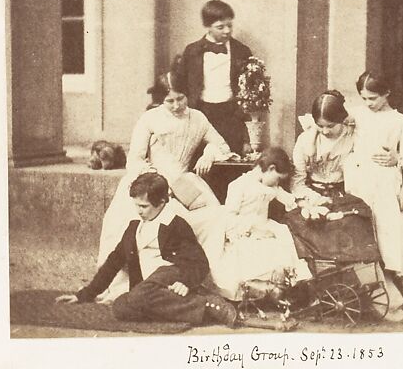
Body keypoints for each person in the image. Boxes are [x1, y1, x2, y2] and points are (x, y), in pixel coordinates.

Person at [96, 69, 231, 299]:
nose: (177, 105)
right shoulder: (150, 119)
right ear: (161, 100)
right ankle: (135, 286)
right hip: (151, 184)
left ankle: (197, 282)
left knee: (214, 219)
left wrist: (209, 153)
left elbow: (222, 145)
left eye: (181, 99)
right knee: (130, 226)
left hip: (185, 183)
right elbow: (135, 159)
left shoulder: (198, 118)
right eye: (170, 101)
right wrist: (156, 181)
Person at [282, 90, 403, 318]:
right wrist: (313, 200)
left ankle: (375, 298)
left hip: (345, 196)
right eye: (320, 126)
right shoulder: (305, 141)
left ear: (342, 119)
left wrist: (396, 159)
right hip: (312, 198)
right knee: (306, 229)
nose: (325, 131)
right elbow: (297, 182)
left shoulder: (355, 136)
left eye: (330, 125)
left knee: (356, 229)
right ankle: (317, 292)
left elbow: (377, 153)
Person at [56, 173, 237, 329]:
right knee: (120, 306)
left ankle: (207, 304)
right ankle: (200, 303)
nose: (138, 211)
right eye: (136, 205)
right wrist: (84, 294)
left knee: (138, 297)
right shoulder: (134, 226)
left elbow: (199, 261)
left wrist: (186, 281)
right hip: (147, 287)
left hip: (169, 274)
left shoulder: (175, 224)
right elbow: (114, 261)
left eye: (144, 207)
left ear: (161, 202)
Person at [345, 70, 403, 313]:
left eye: (373, 98)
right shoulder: (358, 114)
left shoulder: (399, 121)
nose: (367, 103)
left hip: (387, 182)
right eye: (363, 98)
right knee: (369, 230)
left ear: (386, 94)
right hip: (361, 181)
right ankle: (381, 280)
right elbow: (332, 121)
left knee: (395, 230)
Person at [211, 147, 312, 301]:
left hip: (265, 225)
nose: (278, 183)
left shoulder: (270, 186)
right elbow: (230, 216)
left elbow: (287, 198)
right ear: (270, 169)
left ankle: (287, 284)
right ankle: (263, 289)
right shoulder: (239, 185)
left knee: (283, 237)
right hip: (244, 229)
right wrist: (250, 230)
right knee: (260, 249)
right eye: (278, 178)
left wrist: (304, 204)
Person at [176, 0, 252, 155]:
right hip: (201, 114)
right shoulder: (192, 51)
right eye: (220, 27)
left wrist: (245, 137)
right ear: (207, 26)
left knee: (230, 163)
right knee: (200, 162)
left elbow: (249, 93)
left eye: (230, 25)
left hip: (231, 116)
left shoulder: (241, 51)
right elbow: (180, 87)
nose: (227, 31)